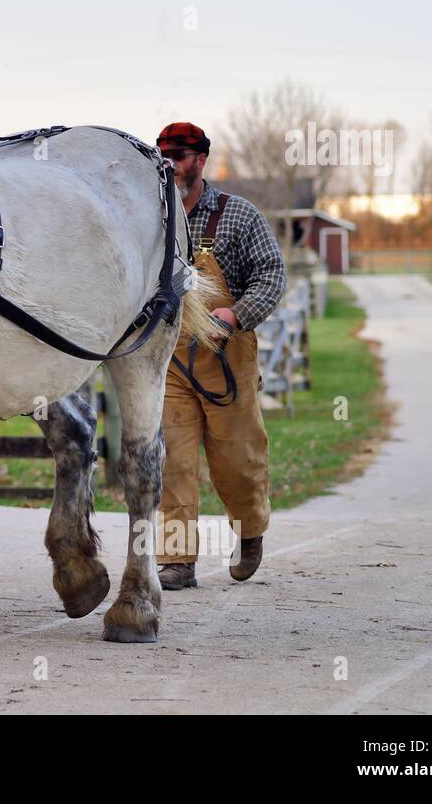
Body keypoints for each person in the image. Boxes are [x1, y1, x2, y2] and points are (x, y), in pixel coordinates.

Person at [155, 122, 286, 590]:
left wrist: (236, 314)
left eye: (182, 155)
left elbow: (272, 275)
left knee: (237, 461)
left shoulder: (238, 216)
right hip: (170, 360)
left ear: (201, 160)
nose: (172, 163)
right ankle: (176, 559)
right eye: (165, 153)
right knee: (173, 460)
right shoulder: (152, 218)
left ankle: (250, 531)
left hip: (227, 355)